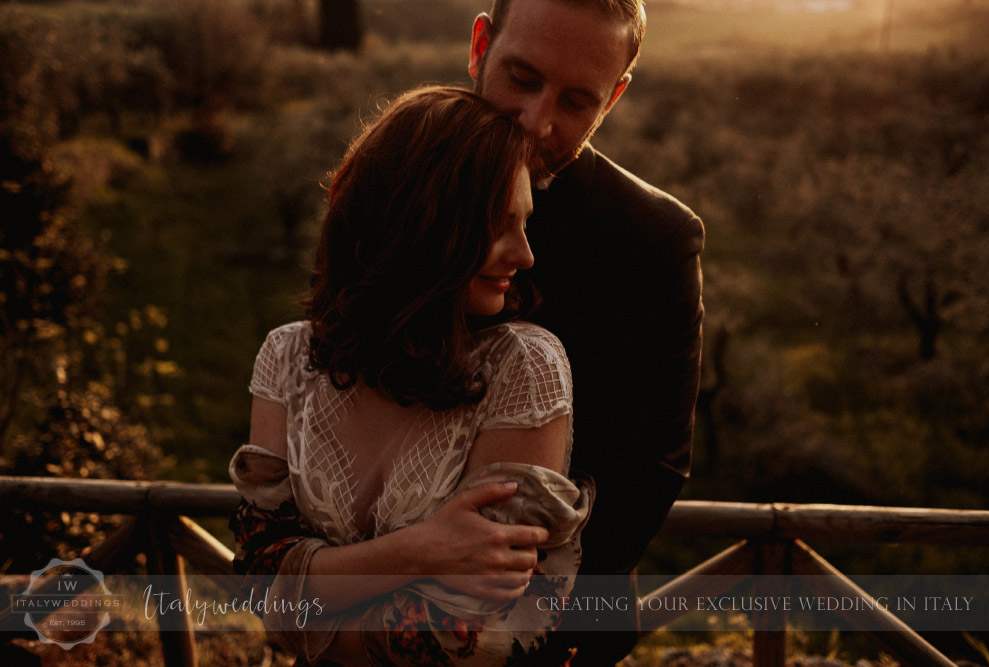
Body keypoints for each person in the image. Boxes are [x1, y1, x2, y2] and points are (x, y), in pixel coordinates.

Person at [229, 86, 593, 665]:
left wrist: (313, 597)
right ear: (419, 224)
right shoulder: (286, 361)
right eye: (500, 225)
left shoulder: (524, 368)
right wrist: (424, 550)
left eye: (524, 224)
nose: (524, 255)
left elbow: (479, 637)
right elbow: (256, 584)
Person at [468, 0, 705, 662]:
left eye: (576, 101)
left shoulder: (654, 240)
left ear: (615, 98)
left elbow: (652, 466)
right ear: (479, 45)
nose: (537, 121)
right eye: (522, 78)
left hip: (563, 636)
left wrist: (503, 599)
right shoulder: (387, 188)